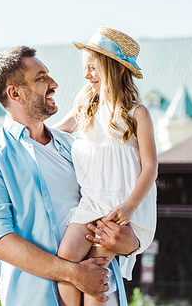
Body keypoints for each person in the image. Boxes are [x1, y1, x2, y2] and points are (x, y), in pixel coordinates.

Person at [0, 45, 147, 306]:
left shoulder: (75, 147)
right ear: (15, 93)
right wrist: (74, 274)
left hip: (104, 294)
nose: (54, 83)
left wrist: (131, 244)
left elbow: (114, 194)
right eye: (41, 78)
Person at [53, 27, 157, 306]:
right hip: (91, 202)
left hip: (122, 206)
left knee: (95, 268)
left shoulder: (138, 114)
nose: (86, 75)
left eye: (93, 68)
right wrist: (14, 132)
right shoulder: (84, 105)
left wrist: (129, 207)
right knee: (67, 257)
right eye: (85, 68)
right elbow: (53, 132)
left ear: (116, 70)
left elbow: (150, 167)